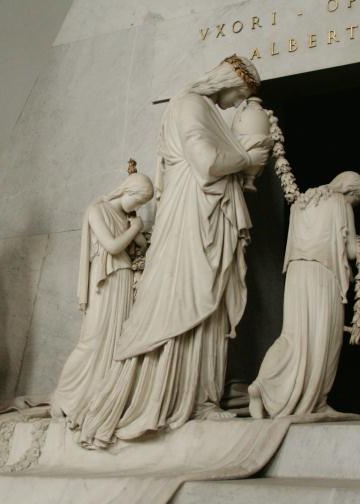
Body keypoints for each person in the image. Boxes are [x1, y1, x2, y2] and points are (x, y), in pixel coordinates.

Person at [77, 55, 271, 448]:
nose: (238, 103)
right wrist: (247, 158)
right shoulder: (190, 104)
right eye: (240, 93)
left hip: (208, 213)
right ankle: (181, 397)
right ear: (227, 81)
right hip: (192, 215)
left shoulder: (205, 109)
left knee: (210, 305)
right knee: (189, 298)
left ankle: (202, 397)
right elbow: (207, 163)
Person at [248, 171, 360, 419]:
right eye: (355, 200)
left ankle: (261, 384)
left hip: (296, 275)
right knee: (326, 338)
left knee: (290, 337)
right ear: (350, 191)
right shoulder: (339, 202)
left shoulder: (302, 201)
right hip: (323, 275)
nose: (352, 204)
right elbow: (350, 251)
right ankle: (318, 401)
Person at [50, 165, 153, 429]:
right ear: (127, 191)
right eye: (138, 200)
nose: (138, 206)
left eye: (142, 204)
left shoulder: (127, 218)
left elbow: (140, 247)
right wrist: (135, 228)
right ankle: (63, 397)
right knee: (92, 340)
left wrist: (137, 231)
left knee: (115, 342)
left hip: (123, 280)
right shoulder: (96, 210)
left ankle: (96, 400)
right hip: (105, 283)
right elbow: (113, 246)